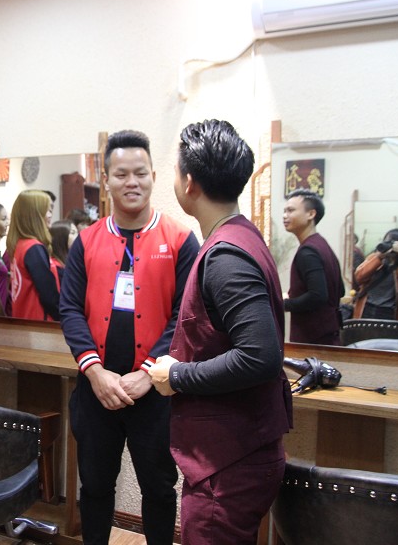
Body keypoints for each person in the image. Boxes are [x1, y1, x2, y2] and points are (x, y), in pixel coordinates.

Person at [149, 119, 292, 545]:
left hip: (229, 462)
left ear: (189, 182)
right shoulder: (239, 235)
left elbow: (260, 356)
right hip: (235, 453)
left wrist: (177, 375)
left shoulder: (226, 255)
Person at [59, 129, 199, 545]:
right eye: (121, 174)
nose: (131, 182)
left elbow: (185, 316)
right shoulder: (86, 241)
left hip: (155, 392)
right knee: (95, 486)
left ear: (154, 175)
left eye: (140, 173)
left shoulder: (180, 240)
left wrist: (148, 373)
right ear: (106, 180)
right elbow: (70, 309)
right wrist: (95, 372)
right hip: (96, 389)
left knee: (159, 488)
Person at [282, 188, 345, 345]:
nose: (285, 216)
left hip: (314, 339)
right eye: (284, 211)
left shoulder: (308, 251)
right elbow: (341, 290)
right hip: (328, 334)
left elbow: (317, 296)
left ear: (311, 214)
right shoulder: (321, 244)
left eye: (290, 210)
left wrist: (281, 304)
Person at [7, 190, 61, 321]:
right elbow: (49, 296)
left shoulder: (20, 245)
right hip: (39, 324)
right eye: (47, 211)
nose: (50, 215)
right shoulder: (33, 248)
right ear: (35, 215)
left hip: (26, 322)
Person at [353, 228, 398, 321]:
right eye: (386, 241)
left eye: (391, 242)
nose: (388, 244)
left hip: (389, 311)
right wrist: (379, 257)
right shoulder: (375, 259)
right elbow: (359, 277)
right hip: (367, 307)